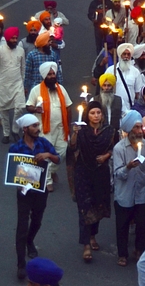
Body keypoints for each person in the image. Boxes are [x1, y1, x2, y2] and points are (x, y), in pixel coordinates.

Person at [10, 114, 60, 280]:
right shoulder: (16, 147)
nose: (38, 129)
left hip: (40, 189)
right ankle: (20, 265)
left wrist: (47, 155)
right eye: (34, 126)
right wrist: (19, 183)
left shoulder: (43, 143)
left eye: (38, 125)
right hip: (24, 192)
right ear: (25, 129)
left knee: (37, 220)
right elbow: (12, 171)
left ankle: (30, 242)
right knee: (22, 226)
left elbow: (58, 159)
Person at [69, 101, 115, 262]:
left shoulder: (109, 131)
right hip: (83, 173)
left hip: (100, 173)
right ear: (87, 116)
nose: (96, 116)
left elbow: (113, 148)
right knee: (84, 208)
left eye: (98, 113)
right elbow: (73, 148)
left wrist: (106, 156)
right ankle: (86, 244)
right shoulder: (81, 131)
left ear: (102, 114)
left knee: (97, 205)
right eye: (92, 113)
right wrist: (74, 133)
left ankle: (93, 235)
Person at [112, 110, 145, 267]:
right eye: (136, 128)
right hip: (125, 194)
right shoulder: (119, 149)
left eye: (140, 127)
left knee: (142, 223)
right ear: (129, 129)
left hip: (141, 191)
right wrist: (128, 167)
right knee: (122, 225)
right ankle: (122, 254)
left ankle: (139, 250)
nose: (139, 131)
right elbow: (117, 174)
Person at [25, 62, 71, 191]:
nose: (52, 76)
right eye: (49, 74)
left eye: (53, 74)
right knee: (46, 154)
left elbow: (68, 107)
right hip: (45, 130)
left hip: (61, 128)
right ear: (44, 76)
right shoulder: (36, 90)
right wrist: (35, 109)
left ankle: (51, 171)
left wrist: (68, 126)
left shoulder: (61, 89)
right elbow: (28, 106)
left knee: (61, 153)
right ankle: (47, 181)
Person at [0, 27, 26, 144]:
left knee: (20, 108)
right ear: (7, 38)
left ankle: (15, 130)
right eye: (13, 38)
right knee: (3, 110)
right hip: (3, 85)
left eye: (16, 38)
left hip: (17, 84)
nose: (15, 40)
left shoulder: (20, 50)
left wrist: (23, 82)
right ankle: (6, 134)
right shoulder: (0, 50)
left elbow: (23, 68)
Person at [105, 43, 145, 112]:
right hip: (113, 108)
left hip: (129, 108)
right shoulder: (110, 70)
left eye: (128, 54)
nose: (126, 56)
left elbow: (137, 93)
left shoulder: (135, 72)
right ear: (120, 55)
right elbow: (104, 89)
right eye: (124, 54)